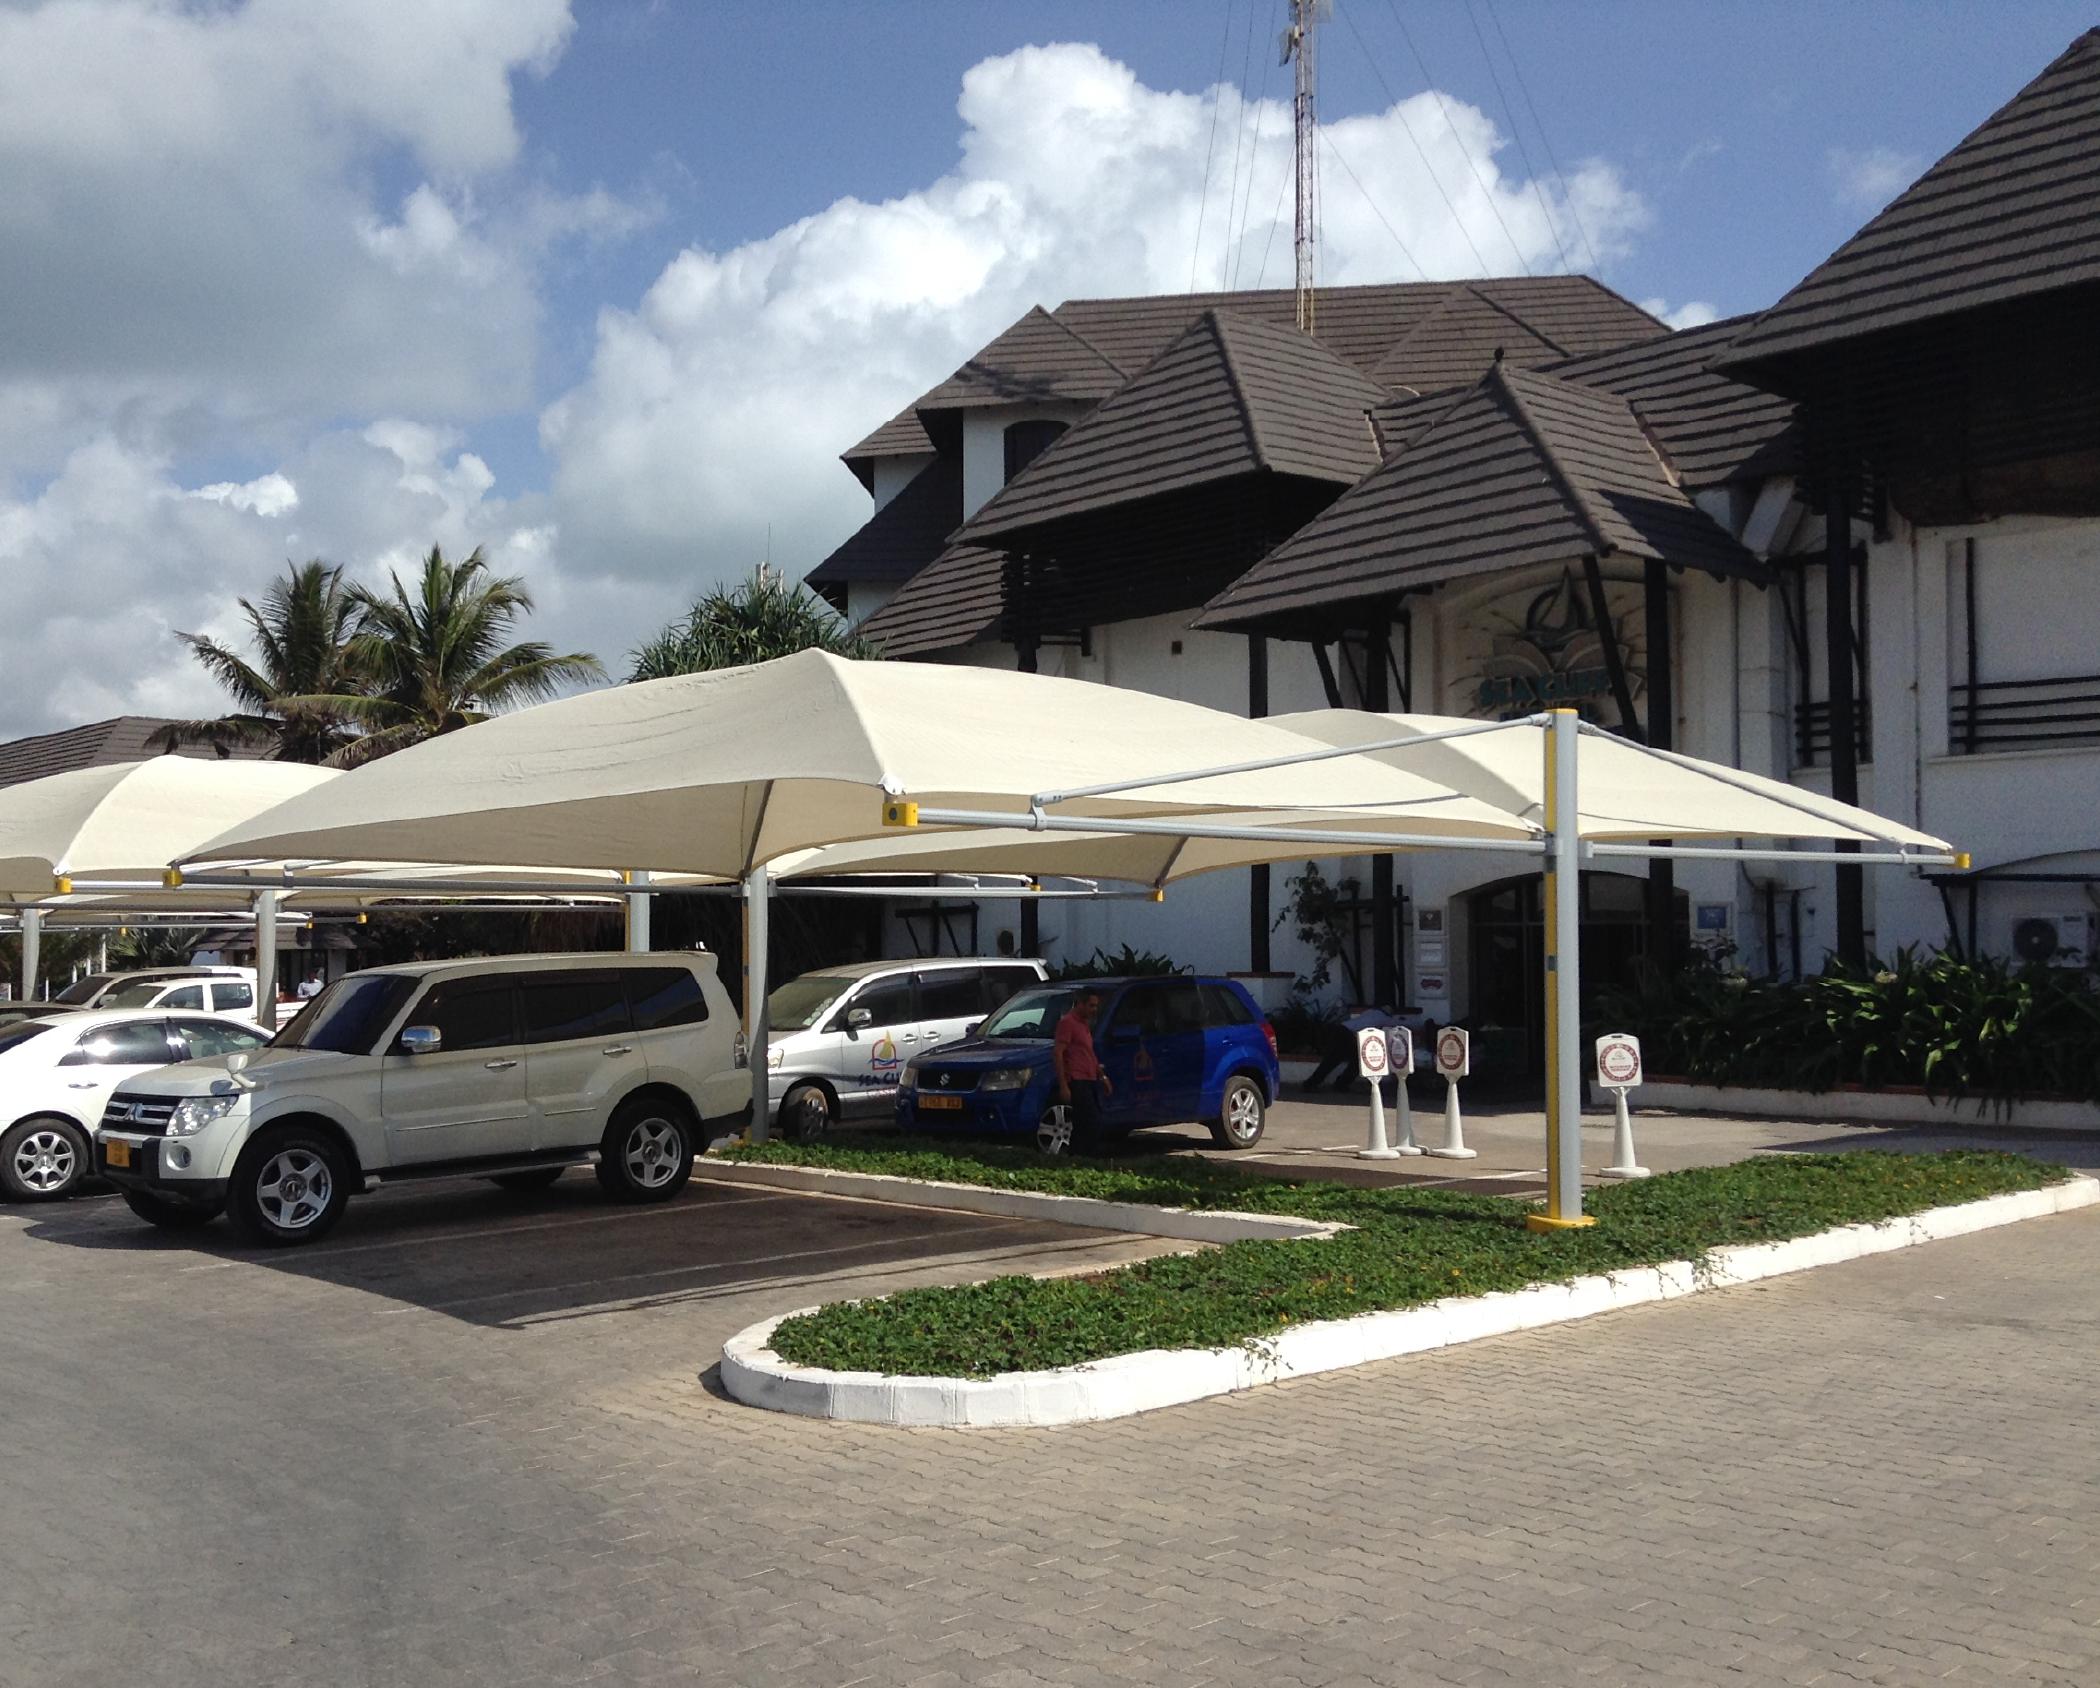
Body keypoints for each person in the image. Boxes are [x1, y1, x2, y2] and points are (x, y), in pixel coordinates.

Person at [1052, 987, 1112, 1150]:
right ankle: (1082, 1155)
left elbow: (1089, 1053)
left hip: (1090, 1077)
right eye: (1091, 1006)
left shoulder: (1083, 1024)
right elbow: (1058, 1053)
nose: (1094, 1010)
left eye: (1095, 1006)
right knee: (1090, 1121)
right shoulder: (1067, 1023)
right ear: (1080, 1004)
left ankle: (1080, 1155)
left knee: (1088, 1122)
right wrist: (1064, 1085)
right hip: (1077, 1079)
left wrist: (1102, 1076)